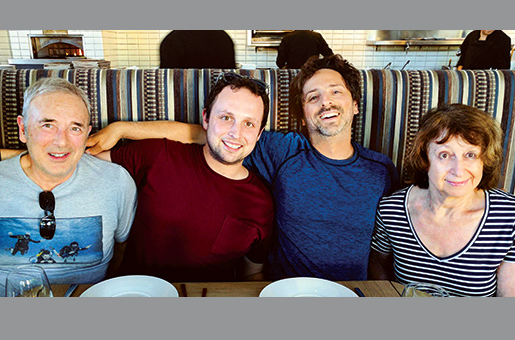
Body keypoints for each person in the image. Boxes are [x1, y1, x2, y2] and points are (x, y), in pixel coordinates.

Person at [86, 55, 399, 282]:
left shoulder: (382, 170)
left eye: (336, 92)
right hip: (287, 291)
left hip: (355, 293)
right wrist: (122, 128)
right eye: (313, 97)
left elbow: (387, 242)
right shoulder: (282, 150)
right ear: (303, 115)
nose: (325, 103)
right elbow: (204, 136)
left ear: (356, 104)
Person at [91, 72, 273, 282]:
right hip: (138, 294)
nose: (235, 132)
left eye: (248, 124)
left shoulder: (261, 204)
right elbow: (87, 163)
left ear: (259, 134)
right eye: (225, 117)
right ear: (206, 118)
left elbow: (253, 274)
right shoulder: (159, 154)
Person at [0, 78, 137, 297]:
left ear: (87, 134)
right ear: (23, 129)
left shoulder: (116, 182)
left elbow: (122, 251)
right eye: (48, 125)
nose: (62, 141)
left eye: (75, 128)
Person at [369, 104, 515, 297]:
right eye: (444, 155)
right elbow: (377, 264)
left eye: (470, 155)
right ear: (425, 159)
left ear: (484, 160)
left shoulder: (508, 216)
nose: (459, 170)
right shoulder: (392, 211)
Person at [159, 30, 236, 69]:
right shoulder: (224, 39)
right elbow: (232, 79)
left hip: (181, 97)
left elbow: (166, 81)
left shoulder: (170, 40)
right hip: (218, 97)